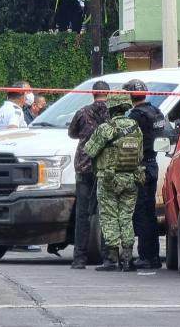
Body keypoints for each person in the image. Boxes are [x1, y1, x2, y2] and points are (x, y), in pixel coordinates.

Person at [83, 93, 144, 272]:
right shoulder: (135, 127)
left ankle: (112, 260)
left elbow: (90, 151)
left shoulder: (106, 128)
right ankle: (128, 260)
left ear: (111, 107)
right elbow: (140, 154)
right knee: (126, 218)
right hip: (131, 178)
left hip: (108, 178)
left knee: (109, 218)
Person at [67, 81, 110, 269]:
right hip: (106, 167)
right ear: (108, 94)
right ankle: (108, 256)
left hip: (84, 167)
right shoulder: (113, 114)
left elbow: (72, 133)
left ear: (92, 93)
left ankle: (79, 259)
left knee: (82, 214)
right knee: (107, 213)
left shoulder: (82, 112)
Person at [123, 79, 166, 270]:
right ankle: (154, 256)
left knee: (141, 213)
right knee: (150, 213)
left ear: (129, 96)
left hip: (140, 166)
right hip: (153, 164)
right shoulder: (156, 112)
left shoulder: (135, 116)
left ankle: (145, 256)